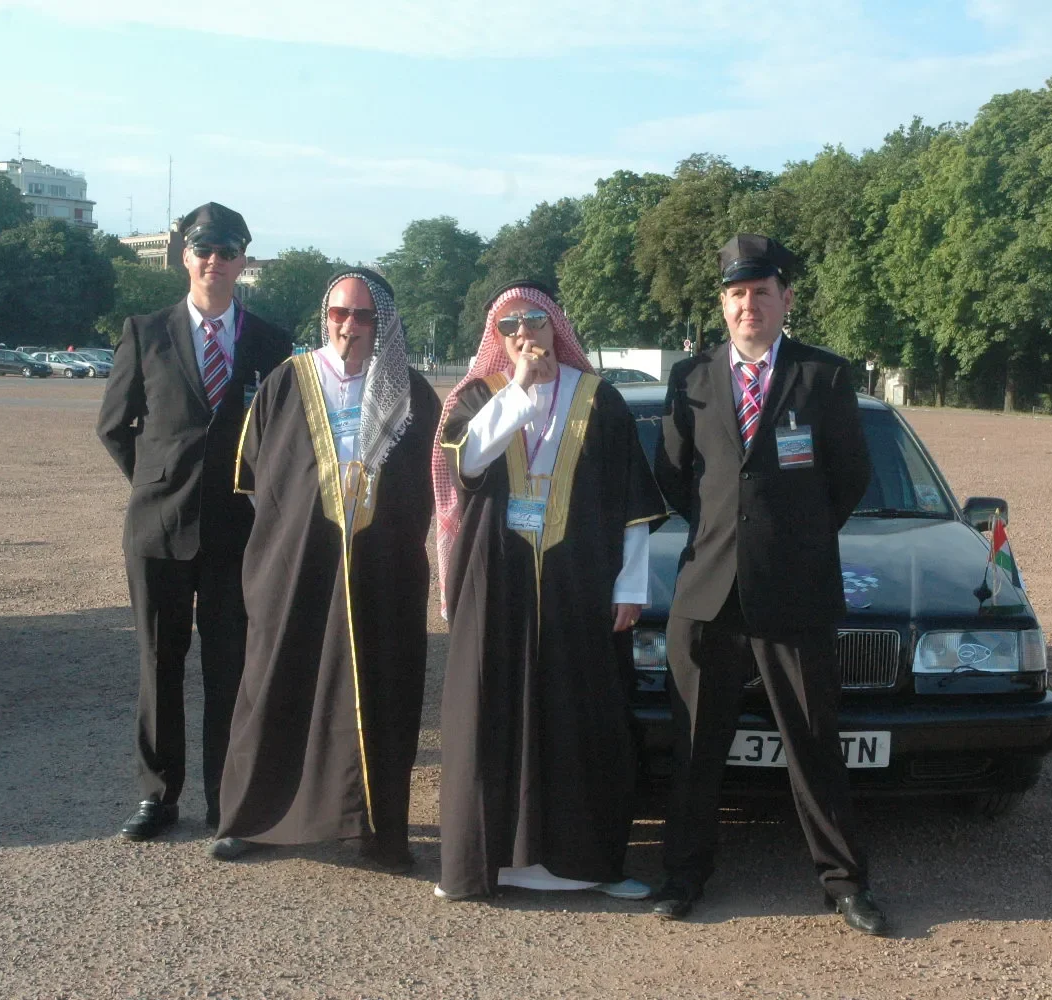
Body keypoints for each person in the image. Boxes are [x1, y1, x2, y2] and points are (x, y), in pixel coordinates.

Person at [650, 235, 886, 935]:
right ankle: (683, 875)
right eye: (735, 294)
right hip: (708, 592)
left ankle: (844, 883)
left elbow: (849, 479)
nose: (747, 305)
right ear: (722, 305)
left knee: (814, 742)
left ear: (785, 298)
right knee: (695, 746)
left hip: (795, 592)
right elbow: (674, 478)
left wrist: (791, 540)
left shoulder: (826, 377)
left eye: (760, 292)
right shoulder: (690, 380)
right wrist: (728, 533)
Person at [433, 280, 666, 902]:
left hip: (583, 582)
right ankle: (489, 864)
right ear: (497, 339)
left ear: (555, 326)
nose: (524, 336)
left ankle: (587, 865)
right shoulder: (479, 395)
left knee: (582, 713)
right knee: (492, 708)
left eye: (535, 322)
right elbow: (469, 463)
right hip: (496, 579)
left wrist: (631, 586)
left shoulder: (600, 400)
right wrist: (518, 394)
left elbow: (634, 506)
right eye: (510, 327)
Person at [211, 268, 439, 865]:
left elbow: (434, 490)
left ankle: (375, 830)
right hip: (294, 568)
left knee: (380, 694)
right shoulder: (287, 382)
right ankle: (253, 818)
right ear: (325, 316)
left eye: (364, 316)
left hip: (384, 573)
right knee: (275, 681)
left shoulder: (413, 393)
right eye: (339, 313)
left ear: (384, 323)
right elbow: (259, 481)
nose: (349, 326)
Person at [97, 202, 292, 841]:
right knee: (160, 660)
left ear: (243, 260)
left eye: (228, 250)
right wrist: (156, 480)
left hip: (239, 530)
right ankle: (158, 796)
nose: (215, 261)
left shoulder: (270, 342)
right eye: (203, 249)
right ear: (184, 255)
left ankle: (226, 802)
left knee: (231, 664)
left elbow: (283, 436)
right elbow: (114, 426)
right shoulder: (146, 331)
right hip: (158, 526)